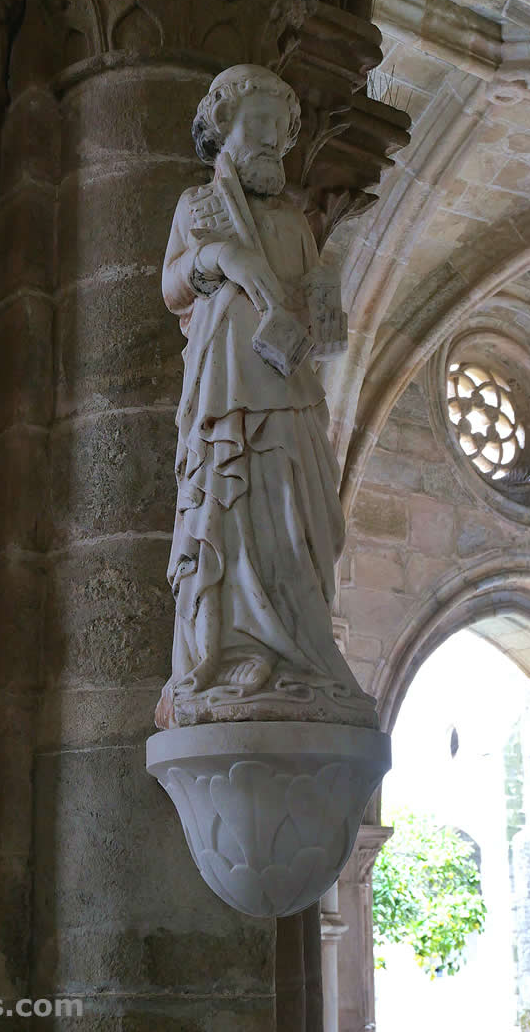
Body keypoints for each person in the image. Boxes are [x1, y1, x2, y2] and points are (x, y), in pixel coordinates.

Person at [156, 64, 378, 729]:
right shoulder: (199, 208)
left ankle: (301, 656)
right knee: (234, 506)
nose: (275, 145)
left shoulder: (290, 218)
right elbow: (172, 286)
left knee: (299, 510)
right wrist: (218, 259)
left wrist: (324, 303)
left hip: (286, 383)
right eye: (262, 128)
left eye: (283, 136)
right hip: (226, 387)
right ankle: (233, 652)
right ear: (224, 123)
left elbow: (311, 298)